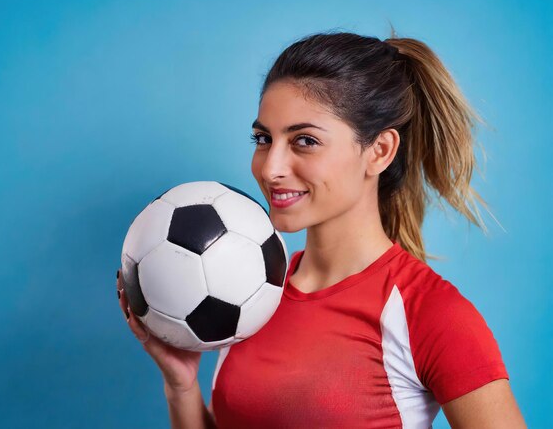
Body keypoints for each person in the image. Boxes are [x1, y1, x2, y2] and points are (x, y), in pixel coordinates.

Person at [116, 29, 527, 428]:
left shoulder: (432, 315)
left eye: (305, 141)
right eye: (262, 139)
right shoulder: (249, 295)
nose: (271, 168)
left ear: (379, 151)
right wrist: (181, 386)